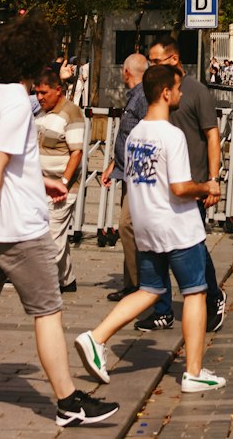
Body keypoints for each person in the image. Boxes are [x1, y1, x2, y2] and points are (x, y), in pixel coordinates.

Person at [0, 12, 119, 428]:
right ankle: (68, 402)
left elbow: (4, 166)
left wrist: (41, 180)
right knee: (48, 310)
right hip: (16, 230)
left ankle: (68, 401)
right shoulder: (14, 104)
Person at [74, 64, 225, 394]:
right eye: (177, 87)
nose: (182, 93)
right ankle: (195, 372)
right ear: (166, 93)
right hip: (177, 225)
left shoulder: (136, 134)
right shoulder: (172, 135)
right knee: (196, 292)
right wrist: (208, 187)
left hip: (146, 224)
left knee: (150, 290)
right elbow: (181, 187)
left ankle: (96, 336)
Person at [146, 36, 226, 334]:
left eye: (156, 61)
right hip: (161, 186)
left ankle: (213, 296)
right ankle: (163, 310)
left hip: (193, 185)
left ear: (174, 59)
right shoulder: (155, 93)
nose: (151, 67)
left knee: (194, 247)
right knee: (159, 248)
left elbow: (212, 136)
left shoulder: (196, 92)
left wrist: (213, 179)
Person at [100, 53, 148, 300]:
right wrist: (112, 165)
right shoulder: (135, 96)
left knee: (126, 225)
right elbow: (126, 136)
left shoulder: (142, 97)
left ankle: (140, 284)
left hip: (139, 174)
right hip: (126, 171)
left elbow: (144, 136)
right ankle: (132, 281)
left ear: (127, 72)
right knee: (131, 227)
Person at [33, 68, 85, 293]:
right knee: (53, 232)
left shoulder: (71, 113)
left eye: (44, 93)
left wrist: (63, 182)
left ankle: (43, 284)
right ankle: (67, 279)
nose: (39, 97)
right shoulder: (43, 112)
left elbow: (77, 152)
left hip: (62, 188)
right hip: (41, 184)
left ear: (58, 90)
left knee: (52, 236)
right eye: (37, 93)